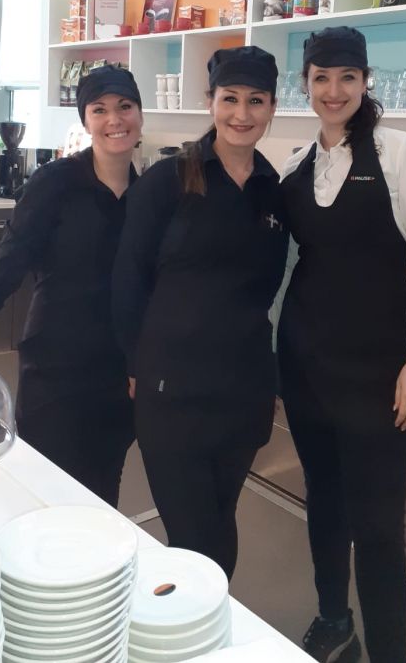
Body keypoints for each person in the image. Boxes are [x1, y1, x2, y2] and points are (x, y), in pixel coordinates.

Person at [277, 27, 406, 663]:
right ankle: (334, 621)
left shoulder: (399, 152)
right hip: (306, 367)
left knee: (377, 527)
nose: (334, 90)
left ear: (365, 80)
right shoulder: (296, 163)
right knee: (323, 501)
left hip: (380, 374)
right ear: (305, 85)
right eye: (321, 77)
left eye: (347, 77)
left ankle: (390, 653)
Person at [112, 45, 288, 580]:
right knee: (192, 536)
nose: (242, 114)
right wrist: (136, 365)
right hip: (173, 390)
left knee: (220, 519)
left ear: (272, 106)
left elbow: (270, 287)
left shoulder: (273, 189)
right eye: (230, 98)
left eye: (255, 100)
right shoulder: (168, 181)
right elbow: (128, 280)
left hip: (243, 391)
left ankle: (210, 618)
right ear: (210, 102)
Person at [0, 65, 143, 507]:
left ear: (140, 115)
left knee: (103, 495)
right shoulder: (57, 182)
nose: (114, 119)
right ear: (85, 120)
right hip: (56, 368)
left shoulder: (148, 196)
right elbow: (1, 273)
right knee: (46, 493)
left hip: (117, 375)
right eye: (99, 109)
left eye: (125, 106)